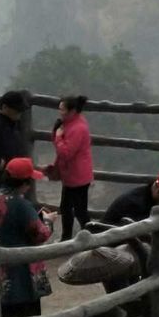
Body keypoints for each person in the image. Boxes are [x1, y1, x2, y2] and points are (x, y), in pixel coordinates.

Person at [62, 171, 159, 317]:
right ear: (158, 188)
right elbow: (145, 233)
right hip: (111, 255)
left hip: (128, 251)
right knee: (123, 298)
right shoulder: (134, 203)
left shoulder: (153, 201)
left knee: (134, 295)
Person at [0, 157, 54, 317]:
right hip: (24, 268)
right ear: (25, 182)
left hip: (2, 265)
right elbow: (40, 234)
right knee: (30, 315)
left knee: (7, 312)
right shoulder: (21, 204)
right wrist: (48, 220)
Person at [50, 94, 95, 240]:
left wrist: (57, 137)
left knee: (80, 211)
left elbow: (66, 153)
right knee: (67, 208)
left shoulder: (78, 128)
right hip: (71, 175)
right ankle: (67, 238)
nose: (60, 112)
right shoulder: (69, 124)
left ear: (72, 110)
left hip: (78, 176)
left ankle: (91, 239)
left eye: (62, 109)